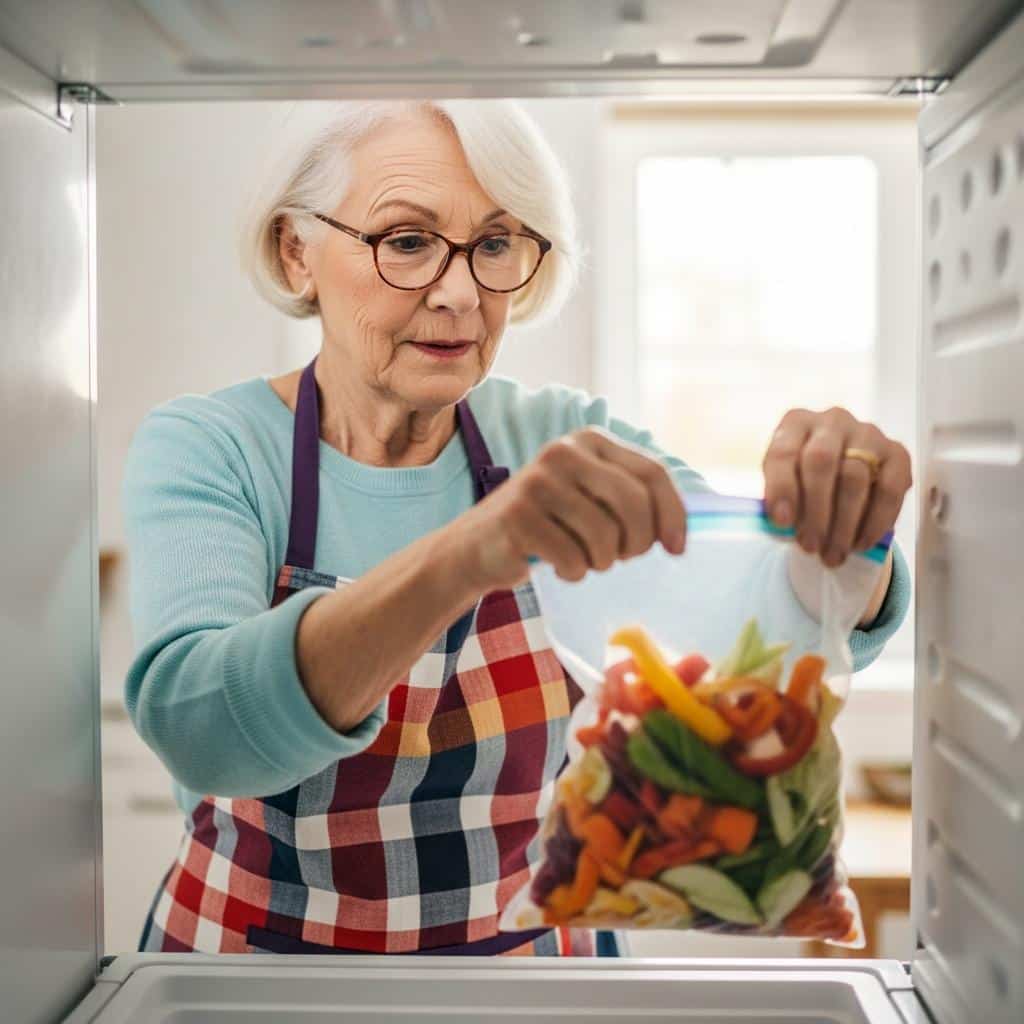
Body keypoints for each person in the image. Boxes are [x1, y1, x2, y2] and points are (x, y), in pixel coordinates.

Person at [124, 99, 911, 958]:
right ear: (296, 251)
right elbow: (202, 733)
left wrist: (844, 525)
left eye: (495, 244)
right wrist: (467, 553)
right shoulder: (215, 446)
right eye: (407, 241)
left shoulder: (559, 438)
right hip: (254, 983)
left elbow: (773, 619)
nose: (460, 293)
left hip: (532, 983)